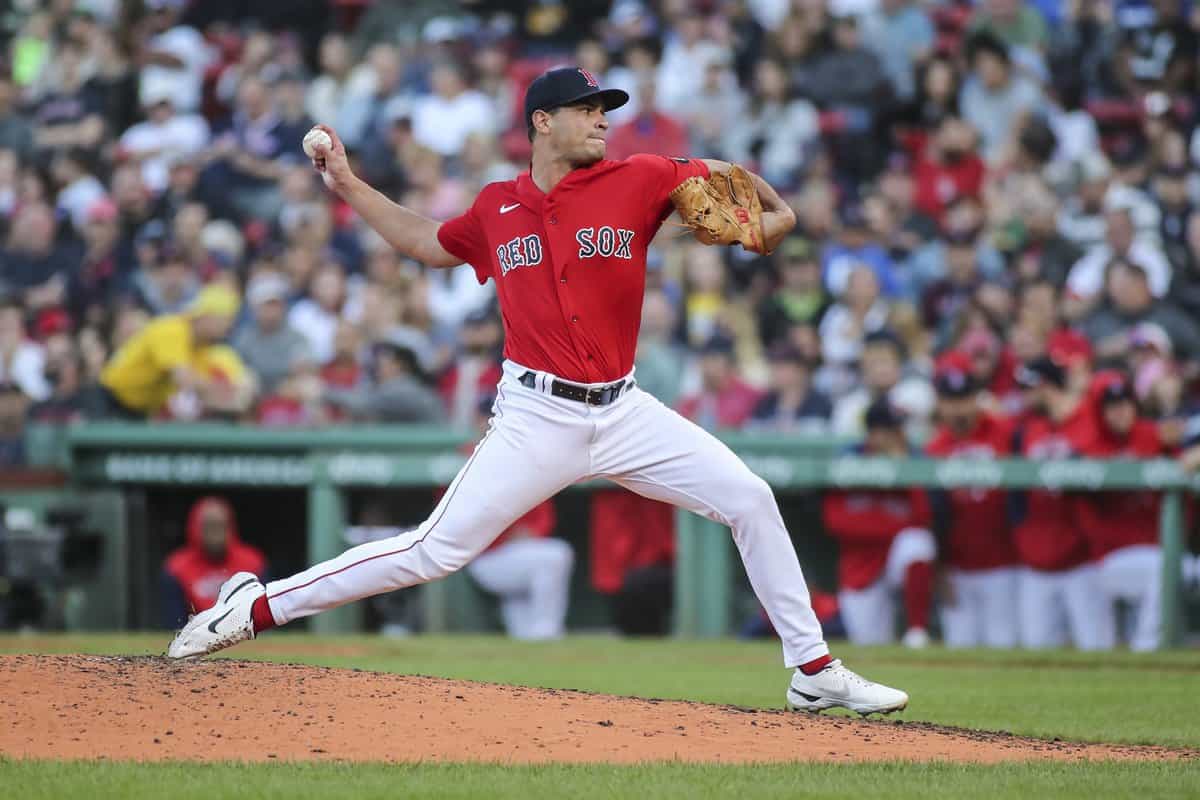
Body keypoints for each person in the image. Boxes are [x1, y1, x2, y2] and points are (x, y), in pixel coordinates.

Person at [169, 67, 909, 716]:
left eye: (605, 107)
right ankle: (255, 606)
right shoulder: (497, 207)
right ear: (542, 123)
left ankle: (813, 672)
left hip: (624, 409)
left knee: (749, 497)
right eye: (588, 108)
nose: (603, 118)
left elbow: (724, 173)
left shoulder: (642, 177)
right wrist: (352, 186)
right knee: (435, 550)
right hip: (536, 415)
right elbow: (429, 243)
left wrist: (773, 209)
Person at [1010, 356, 1113, 650]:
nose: (1023, 396)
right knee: (1035, 656)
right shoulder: (1029, 429)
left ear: (1045, 386)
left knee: (1097, 651)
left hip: (1083, 561)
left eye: (1028, 388)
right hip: (1037, 560)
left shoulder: (1092, 419)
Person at [822, 399, 936, 648]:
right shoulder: (849, 461)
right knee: (869, 647)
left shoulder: (913, 459)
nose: (899, 436)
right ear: (873, 433)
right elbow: (835, 522)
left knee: (917, 542)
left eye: (900, 430)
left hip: (896, 556)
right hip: (860, 566)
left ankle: (917, 632)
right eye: (891, 431)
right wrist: (893, 526)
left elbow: (923, 519)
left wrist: (904, 470)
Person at [924, 359, 1019, 648]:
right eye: (951, 401)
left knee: (1005, 648)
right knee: (960, 648)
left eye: (964, 399)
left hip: (1006, 565)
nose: (959, 408)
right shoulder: (934, 448)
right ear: (940, 404)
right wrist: (940, 571)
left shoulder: (1005, 432)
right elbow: (930, 517)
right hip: (958, 569)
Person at [1072, 375, 1170, 651]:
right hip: (1111, 555)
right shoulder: (1089, 447)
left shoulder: (1154, 435)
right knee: (1162, 570)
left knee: (1169, 567)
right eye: (1112, 406)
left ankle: (1158, 644)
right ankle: (1147, 649)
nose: (1121, 411)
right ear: (1101, 412)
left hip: (1158, 548)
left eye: (1125, 403)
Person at [462, 398, 574, 641]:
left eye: (497, 415)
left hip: (518, 555)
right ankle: (548, 631)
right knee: (556, 556)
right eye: (487, 417)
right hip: (484, 557)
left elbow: (544, 517)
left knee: (523, 640)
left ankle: (536, 644)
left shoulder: (526, 455)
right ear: (477, 421)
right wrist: (503, 534)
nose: (491, 422)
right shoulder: (467, 456)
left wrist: (530, 532)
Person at [98, 283, 240, 419]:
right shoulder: (172, 329)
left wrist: (233, 398)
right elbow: (184, 379)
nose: (229, 326)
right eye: (225, 318)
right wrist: (223, 392)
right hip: (108, 401)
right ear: (205, 315)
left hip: (138, 411)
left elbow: (201, 389)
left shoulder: (200, 347)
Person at [162, 496, 266, 629]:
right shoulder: (176, 568)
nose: (216, 533)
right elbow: (173, 625)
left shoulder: (252, 563)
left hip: (243, 634)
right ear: (194, 527)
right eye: (210, 526)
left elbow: (263, 619)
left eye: (221, 526)